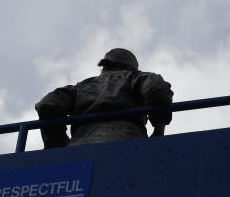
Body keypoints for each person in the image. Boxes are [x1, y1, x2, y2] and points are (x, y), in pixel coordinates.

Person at [34, 47, 173, 147]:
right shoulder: (135, 77)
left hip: (78, 148)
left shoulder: (80, 88)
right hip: (128, 143)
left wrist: (58, 144)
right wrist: (158, 131)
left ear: (104, 67)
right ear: (130, 68)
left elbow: (47, 105)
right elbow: (158, 90)